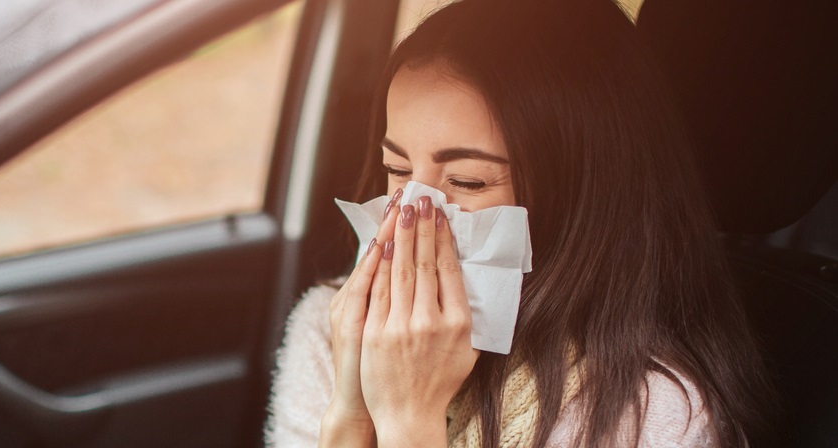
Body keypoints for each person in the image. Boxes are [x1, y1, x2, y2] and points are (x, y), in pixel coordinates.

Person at [265, 0, 776, 447]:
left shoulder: (651, 408)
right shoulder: (329, 329)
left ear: (580, 198)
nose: (408, 213)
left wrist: (407, 420)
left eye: (467, 181)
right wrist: (351, 415)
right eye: (398, 169)